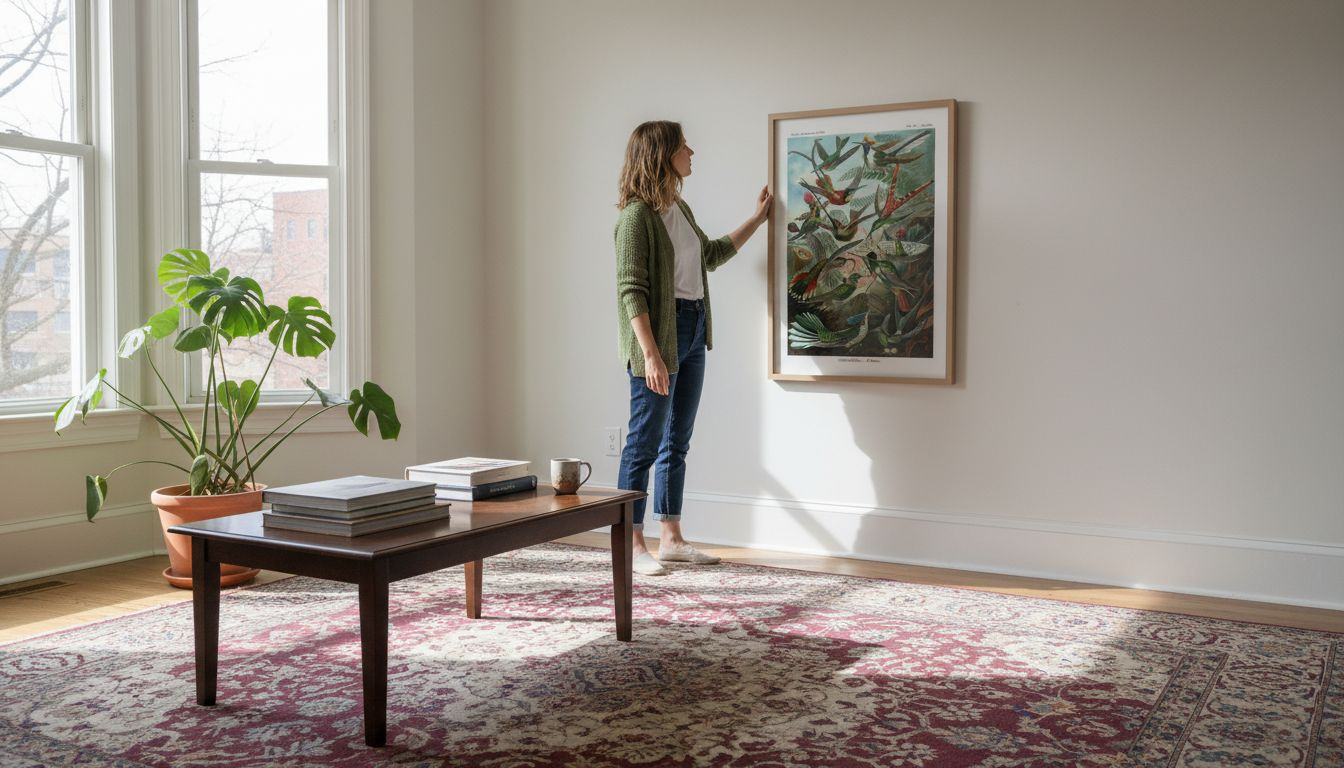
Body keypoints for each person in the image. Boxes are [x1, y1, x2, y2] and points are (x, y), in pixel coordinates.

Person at [613, 120, 771, 576]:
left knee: (676, 442)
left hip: (692, 327)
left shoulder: (678, 208)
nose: (692, 151)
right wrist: (650, 353)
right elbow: (631, 291)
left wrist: (757, 220)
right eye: (684, 145)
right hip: (658, 338)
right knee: (642, 442)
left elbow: (712, 255)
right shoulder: (635, 217)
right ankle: (630, 542)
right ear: (663, 154)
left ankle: (672, 538)